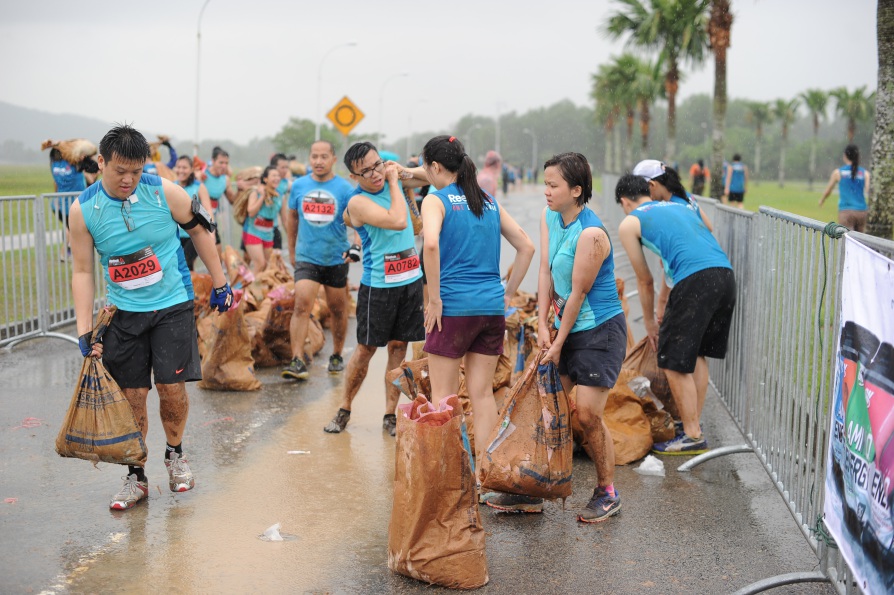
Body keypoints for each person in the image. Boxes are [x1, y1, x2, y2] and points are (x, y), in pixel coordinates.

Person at [69, 124, 233, 510]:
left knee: (172, 389)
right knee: (132, 395)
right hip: (123, 314)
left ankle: (175, 454)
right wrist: (84, 330)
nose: (128, 180)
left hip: (172, 305)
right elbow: (81, 271)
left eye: (136, 171)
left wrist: (221, 282)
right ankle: (135, 476)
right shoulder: (83, 210)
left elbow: (201, 230)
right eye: (119, 171)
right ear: (101, 162)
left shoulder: (165, 192)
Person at [489, 152, 627, 522]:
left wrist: (558, 340)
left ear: (577, 190)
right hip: (561, 324)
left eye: (553, 185)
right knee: (546, 407)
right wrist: (541, 324)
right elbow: (546, 273)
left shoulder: (592, 234)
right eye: (546, 183)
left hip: (598, 331)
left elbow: (579, 294)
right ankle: (534, 489)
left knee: (586, 415)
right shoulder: (550, 216)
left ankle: (607, 491)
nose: (546, 191)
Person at [416, 134, 534, 466]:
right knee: (482, 396)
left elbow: (431, 245)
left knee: (443, 397)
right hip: (490, 309)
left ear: (436, 167)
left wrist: (435, 299)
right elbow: (526, 246)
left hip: (452, 310)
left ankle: (447, 474)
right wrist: (507, 293)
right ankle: (487, 472)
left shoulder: (435, 200)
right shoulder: (487, 200)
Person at [615, 173, 736, 455]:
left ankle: (692, 434)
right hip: (724, 275)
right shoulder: (681, 205)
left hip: (696, 280)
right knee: (697, 354)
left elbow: (644, 280)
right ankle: (690, 425)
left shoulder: (630, 222)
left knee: (671, 360)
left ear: (624, 201)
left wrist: (648, 322)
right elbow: (708, 226)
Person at [323, 142, 424, 437]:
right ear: (354, 176)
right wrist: (395, 181)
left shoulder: (392, 176)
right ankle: (344, 408)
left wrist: (404, 171)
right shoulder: (357, 202)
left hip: (410, 280)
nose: (374, 174)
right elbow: (397, 220)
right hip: (379, 285)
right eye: (365, 171)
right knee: (366, 349)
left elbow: (436, 177)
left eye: (377, 164)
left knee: (398, 347)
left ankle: (389, 414)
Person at [282, 140, 360, 380]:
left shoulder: (345, 189)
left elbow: (356, 219)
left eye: (323, 156)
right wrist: (292, 250)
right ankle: (297, 360)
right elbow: (292, 218)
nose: (318, 161)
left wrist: (355, 246)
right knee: (301, 304)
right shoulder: (299, 186)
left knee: (338, 309)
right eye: (314, 156)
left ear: (333, 159)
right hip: (308, 257)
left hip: (336, 256)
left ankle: (336, 354)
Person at [242, 165, 285, 275]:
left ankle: (258, 290)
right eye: (273, 175)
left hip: (268, 234)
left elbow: (284, 219)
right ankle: (247, 290)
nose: (277, 178)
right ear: (265, 179)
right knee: (260, 264)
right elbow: (251, 212)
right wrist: (262, 196)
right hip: (253, 233)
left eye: (278, 176)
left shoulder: (280, 195)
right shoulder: (255, 192)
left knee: (268, 266)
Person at [173, 155, 214, 270]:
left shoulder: (198, 187)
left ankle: (190, 287)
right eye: (178, 167)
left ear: (191, 169)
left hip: (194, 234)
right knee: (178, 265)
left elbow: (208, 209)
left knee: (186, 261)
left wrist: (212, 232)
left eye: (184, 168)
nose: (181, 170)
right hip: (175, 234)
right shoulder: (171, 186)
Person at [819, 144, 870, 232]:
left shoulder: (838, 173)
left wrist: (822, 200)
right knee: (860, 243)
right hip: (862, 211)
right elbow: (868, 190)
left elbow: (828, 190)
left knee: (846, 241)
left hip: (846, 212)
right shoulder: (865, 173)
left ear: (845, 155)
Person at [270, 153, 292, 252]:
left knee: (276, 260)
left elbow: (284, 218)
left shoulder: (285, 184)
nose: (285, 170)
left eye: (286, 167)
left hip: (274, 227)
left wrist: (292, 238)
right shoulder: (262, 181)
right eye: (282, 167)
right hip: (256, 229)